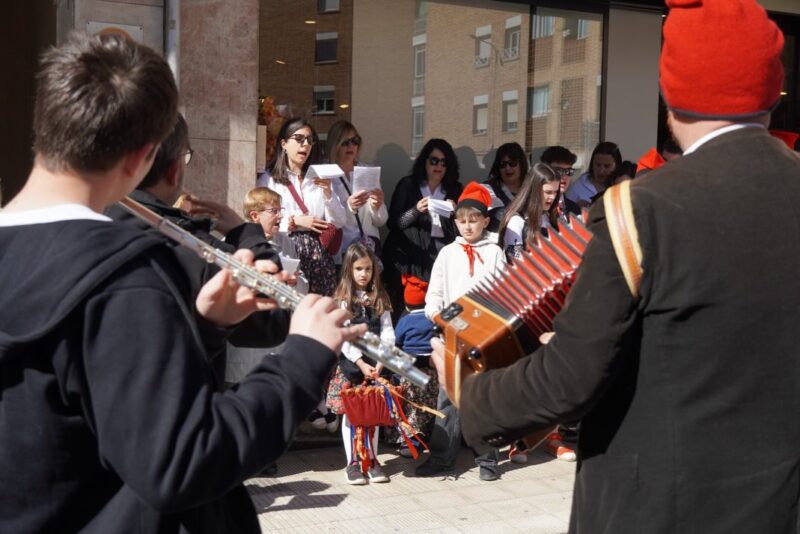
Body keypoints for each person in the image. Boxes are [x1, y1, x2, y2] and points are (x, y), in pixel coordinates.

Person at [434, 0, 800, 532]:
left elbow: (569, 380)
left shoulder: (638, 209)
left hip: (656, 505)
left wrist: (472, 398)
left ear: (672, 94)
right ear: (771, 91)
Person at [0, 31, 366, 534]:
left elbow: (63, 399)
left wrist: (200, 326)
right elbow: (184, 462)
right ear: (144, 157)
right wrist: (302, 356)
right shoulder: (124, 277)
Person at [107, 114, 289, 383]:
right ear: (175, 169)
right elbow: (270, 319)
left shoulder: (91, 223)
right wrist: (245, 233)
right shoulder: (190, 245)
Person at [417, 182, 506, 481]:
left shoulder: (494, 252)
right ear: (455, 221)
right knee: (448, 397)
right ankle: (442, 457)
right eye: (462, 220)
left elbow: (501, 295)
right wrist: (440, 318)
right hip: (452, 334)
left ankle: (488, 458)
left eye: (473, 220)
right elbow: (434, 296)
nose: (467, 226)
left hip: (483, 335)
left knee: (482, 398)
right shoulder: (447, 254)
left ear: (485, 221)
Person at [325, 243, 395, 485]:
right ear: (349, 270)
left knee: (372, 415)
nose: (364, 274)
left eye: (368, 269)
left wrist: (381, 363)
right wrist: (361, 363)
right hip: (352, 368)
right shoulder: (343, 301)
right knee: (353, 415)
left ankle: (372, 460)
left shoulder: (379, 298)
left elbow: (388, 333)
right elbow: (345, 336)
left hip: (375, 368)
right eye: (358, 269)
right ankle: (353, 462)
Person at [257, 118, 346, 296]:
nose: (305, 145)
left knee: (319, 312)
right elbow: (260, 220)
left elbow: (340, 220)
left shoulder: (319, 177)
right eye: (299, 139)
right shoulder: (268, 179)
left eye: (310, 140)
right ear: (283, 143)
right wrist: (294, 222)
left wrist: (328, 192)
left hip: (319, 257)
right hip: (287, 250)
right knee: (291, 308)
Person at [383, 139, 463, 320]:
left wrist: (456, 211)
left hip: (440, 257)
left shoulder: (455, 189)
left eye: (444, 162)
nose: (439, 166)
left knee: (438, 310)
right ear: (424, 162)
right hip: (410, 261)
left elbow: (464, 228)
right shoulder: (408, 185)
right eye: (434, 161)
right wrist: (415, 210)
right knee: (406, 314)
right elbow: (394, 224)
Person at [389, 274, 439, 458]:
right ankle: (433, 436)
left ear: (407, 304)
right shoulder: (433, 319)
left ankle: (411, 440)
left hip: (411, 369)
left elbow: (397, 341)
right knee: (432, 403)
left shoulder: (405, 321)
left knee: (411, 405)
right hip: (433, 368)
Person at [326, 120, 387, 264]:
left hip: (368, 251)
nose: (351, 146)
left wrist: (378, 205)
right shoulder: (327, 176)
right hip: (343, 252)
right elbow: (326, 220)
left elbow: (380, 221)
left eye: (355, 141)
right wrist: (349, 208)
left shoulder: (367, 171)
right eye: (345, 142)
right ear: (335, 144)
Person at [243, 186, 309, 295]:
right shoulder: (236, 241)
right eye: (274, 211)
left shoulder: (287, 242)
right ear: (255, 216)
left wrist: (295, 282)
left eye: (280, 210)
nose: (281, 216)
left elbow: (303, 288)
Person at [497, 163, 561, 262]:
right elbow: (514, 259)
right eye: (548, 192)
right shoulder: (516, 221)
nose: (552, 197)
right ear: (534, 191)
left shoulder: (553, 217)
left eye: (556, 192)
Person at [482, 142, 529, 232]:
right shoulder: (488, 188)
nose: (507, 168)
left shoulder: (532, 187)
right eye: (502, 164)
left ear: (521, 164)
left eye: (512, 163)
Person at [564, 141, 622, 207]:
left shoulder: (622, 186)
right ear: (592, 164)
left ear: (616, 166)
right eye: (598, 165)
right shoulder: (577, 187)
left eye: (607, 166)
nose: (601, 171)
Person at [541, 145, 581, 223]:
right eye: (559, 171)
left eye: (569, 171)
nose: (564, 176)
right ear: (545, 171)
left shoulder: (574, 208)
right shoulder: (536, 206)